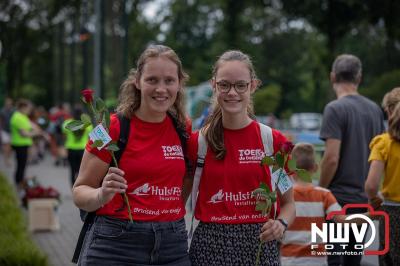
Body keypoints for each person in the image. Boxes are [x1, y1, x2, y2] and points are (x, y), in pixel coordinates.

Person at [72, 45, 192, 265]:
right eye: (152, 80)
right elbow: (79, 191)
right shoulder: (109, 128)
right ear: (137, 81)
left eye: (169, 81)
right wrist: (101, 194)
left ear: (179, 84)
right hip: (116, 243)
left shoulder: (184, 129)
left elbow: (188, 179)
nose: (161, 89)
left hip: (172, 244)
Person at [187, 50, 295, 265]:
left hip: (259, 246)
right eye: (224, 85)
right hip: (209, 247)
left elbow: (289, 204)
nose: (232, 92)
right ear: (214, 85)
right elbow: (177, 201)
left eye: (240, 85)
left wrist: (280, 224)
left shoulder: (273, 141)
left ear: (253, 86)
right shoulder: (197, 142)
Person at [319, 54, 385, 265]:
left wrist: (320, 191)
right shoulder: (375, 109)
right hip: (364, 200)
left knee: (335, 259)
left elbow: (331, 158)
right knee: (353, 259)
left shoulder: (335, 109)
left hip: (338, 200)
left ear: (332, 77)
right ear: (359, 78)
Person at [281, 143, 341, 266]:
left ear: (291, 169)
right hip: (317, 260)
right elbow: (343, 220)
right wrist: (370, 215)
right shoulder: (324, 195)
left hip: (289, 260)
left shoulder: (285, 196)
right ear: (315, 168)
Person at [365, 87, 400, 265]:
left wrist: (374, 199)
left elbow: (371, 185)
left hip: (393, 212)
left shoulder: (384, 143)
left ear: (388, 110)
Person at [10, 100, 44, 193]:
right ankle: (18, 185)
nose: (29, 110)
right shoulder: (17, 117)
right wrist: (36, 133)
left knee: (23, 165)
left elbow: (31, 125)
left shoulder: (23, 116)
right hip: (19, 144)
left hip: (24, 145)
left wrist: (37, 129)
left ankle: (20, 184)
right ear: (22, 108)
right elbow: (24, 133)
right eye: (28, 108)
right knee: (20, 166)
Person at [62, 105, 92, 187]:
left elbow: (64, 136)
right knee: (81, 171)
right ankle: (79, 188)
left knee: (72, 170)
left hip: (70, 149)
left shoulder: (67, 123)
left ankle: (73, 188)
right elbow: (90, 138)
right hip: (83, 150)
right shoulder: (87, 124)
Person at [0, 98, 14, 166]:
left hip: (12, 131)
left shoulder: (13, 111)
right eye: (8, 103)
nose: (9, 105)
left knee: (10, 147)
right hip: (4, 130)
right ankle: (6, 160)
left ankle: (8, 158)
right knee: (6, 145)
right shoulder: (2, 111)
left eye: (10, 103)